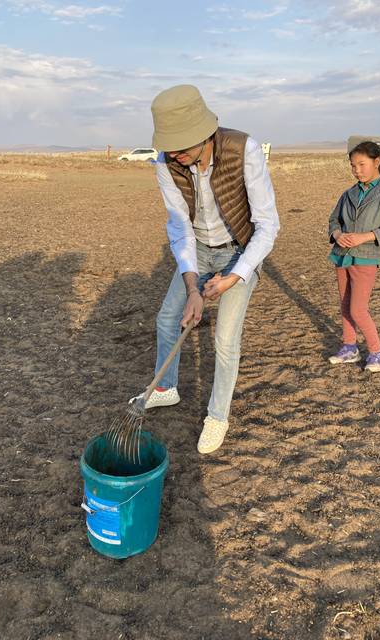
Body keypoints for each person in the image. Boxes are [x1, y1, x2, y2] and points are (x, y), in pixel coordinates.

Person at [130, 84, 279, 454]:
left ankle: (218, 415)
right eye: (170, 146)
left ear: (204, 134)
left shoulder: (244, 150)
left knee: (225, 340)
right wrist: (194, 288)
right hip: (198, 248)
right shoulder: (167, 162)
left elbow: (267, 225)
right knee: (168, 318)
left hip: (240, 249)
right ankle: (166, 388)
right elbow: (179, 225)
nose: (175, 153)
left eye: (181, 146)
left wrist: (233, 276)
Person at [328, 140, 380, 372]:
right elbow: (334, 220)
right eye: (353, 165)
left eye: (361, 164)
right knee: (344, 305)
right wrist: (337, 234)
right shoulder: (348, 193)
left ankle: (376, 353)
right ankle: (349, 348)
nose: (357, 170)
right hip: (341, 255)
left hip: (366, 257)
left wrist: (364, 237)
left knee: (358, 309)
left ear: (377, 161)